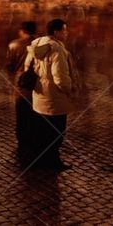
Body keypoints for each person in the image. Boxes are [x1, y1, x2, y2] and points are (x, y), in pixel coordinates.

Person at [24, 18, 78, 171]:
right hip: (55, 98)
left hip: (39, 95)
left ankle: (40, 159)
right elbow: (60, 77)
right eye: (64, 30)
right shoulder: (58, 49)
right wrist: (69, 89)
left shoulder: (37, 44)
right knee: (56, 133)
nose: (67, 33)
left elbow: (27, 65)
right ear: (56, 32)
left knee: (42, 131)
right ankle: (52, 162)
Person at [7, 21, 36, 155]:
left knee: (21, 113)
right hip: (36, 83)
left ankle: (22, 140)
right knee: (35, 112)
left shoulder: (13, 45)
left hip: (20, 84)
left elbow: (10, 66)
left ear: (22, 31)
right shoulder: (40, 44)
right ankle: (33, 138)